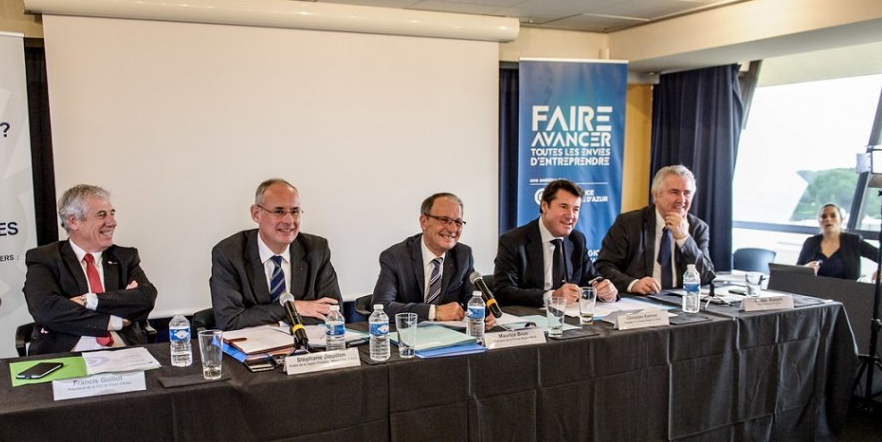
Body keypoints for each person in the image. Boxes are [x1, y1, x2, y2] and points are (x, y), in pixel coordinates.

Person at [23, 184, 158, 355]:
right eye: (101, 215)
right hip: (67, 353)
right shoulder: (44, 258)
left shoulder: (125, 257)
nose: (112, 222)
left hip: (122, 350)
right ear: (74, 222)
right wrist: (115, 320)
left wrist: (88, 300)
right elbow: (46, 311)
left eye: (112, 213)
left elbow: (146, 298)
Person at [210, 178, 342, 330]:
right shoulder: (229, 253)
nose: (289, 220)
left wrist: (270, 321)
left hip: (307, 349)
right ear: (256, 214)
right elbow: (230, 321)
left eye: (294, 211)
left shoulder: (317, 249)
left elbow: (333, 312)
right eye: (279, 212)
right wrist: (293, 307)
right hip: (254, 350)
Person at [372, 192, 496, 327]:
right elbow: (382, 307)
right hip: (408, 335)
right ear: (424, 222)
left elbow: (471, 297)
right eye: (444, 220)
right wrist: (434, 312)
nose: (452, 229)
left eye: (458, 222)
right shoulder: (395, 257)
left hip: (449, 337)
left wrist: (484, 311)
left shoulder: (463, 255)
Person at [493, 179, 618, 307]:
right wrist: (552, 296)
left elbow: (591, 278)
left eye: (576, 209)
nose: (570, 216)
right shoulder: (513, 241)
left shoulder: (577, 240)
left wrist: (606, 290)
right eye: (563, 207)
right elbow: (503, 291)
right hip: (530, 318)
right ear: (544, 206)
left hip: (570, 319)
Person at [595, 164, 715, 294]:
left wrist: (684, 239)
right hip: (639, 301)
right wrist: (633, 284)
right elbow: (603, 267)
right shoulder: (629, 223)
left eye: (687, 193)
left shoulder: (698, 227)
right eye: (674, 192)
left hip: (681, 301)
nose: (682, 200)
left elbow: (706, 276)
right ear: (656, 196)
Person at [797, 203, 882, 281]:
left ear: (841, 220)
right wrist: (806, 269)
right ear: (819, 221)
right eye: (824, 216)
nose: (828, 219)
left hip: (847, 295)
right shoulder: (810, 242)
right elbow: (795, 271)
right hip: (814, 294)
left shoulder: (853, 241)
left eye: (833, 216)